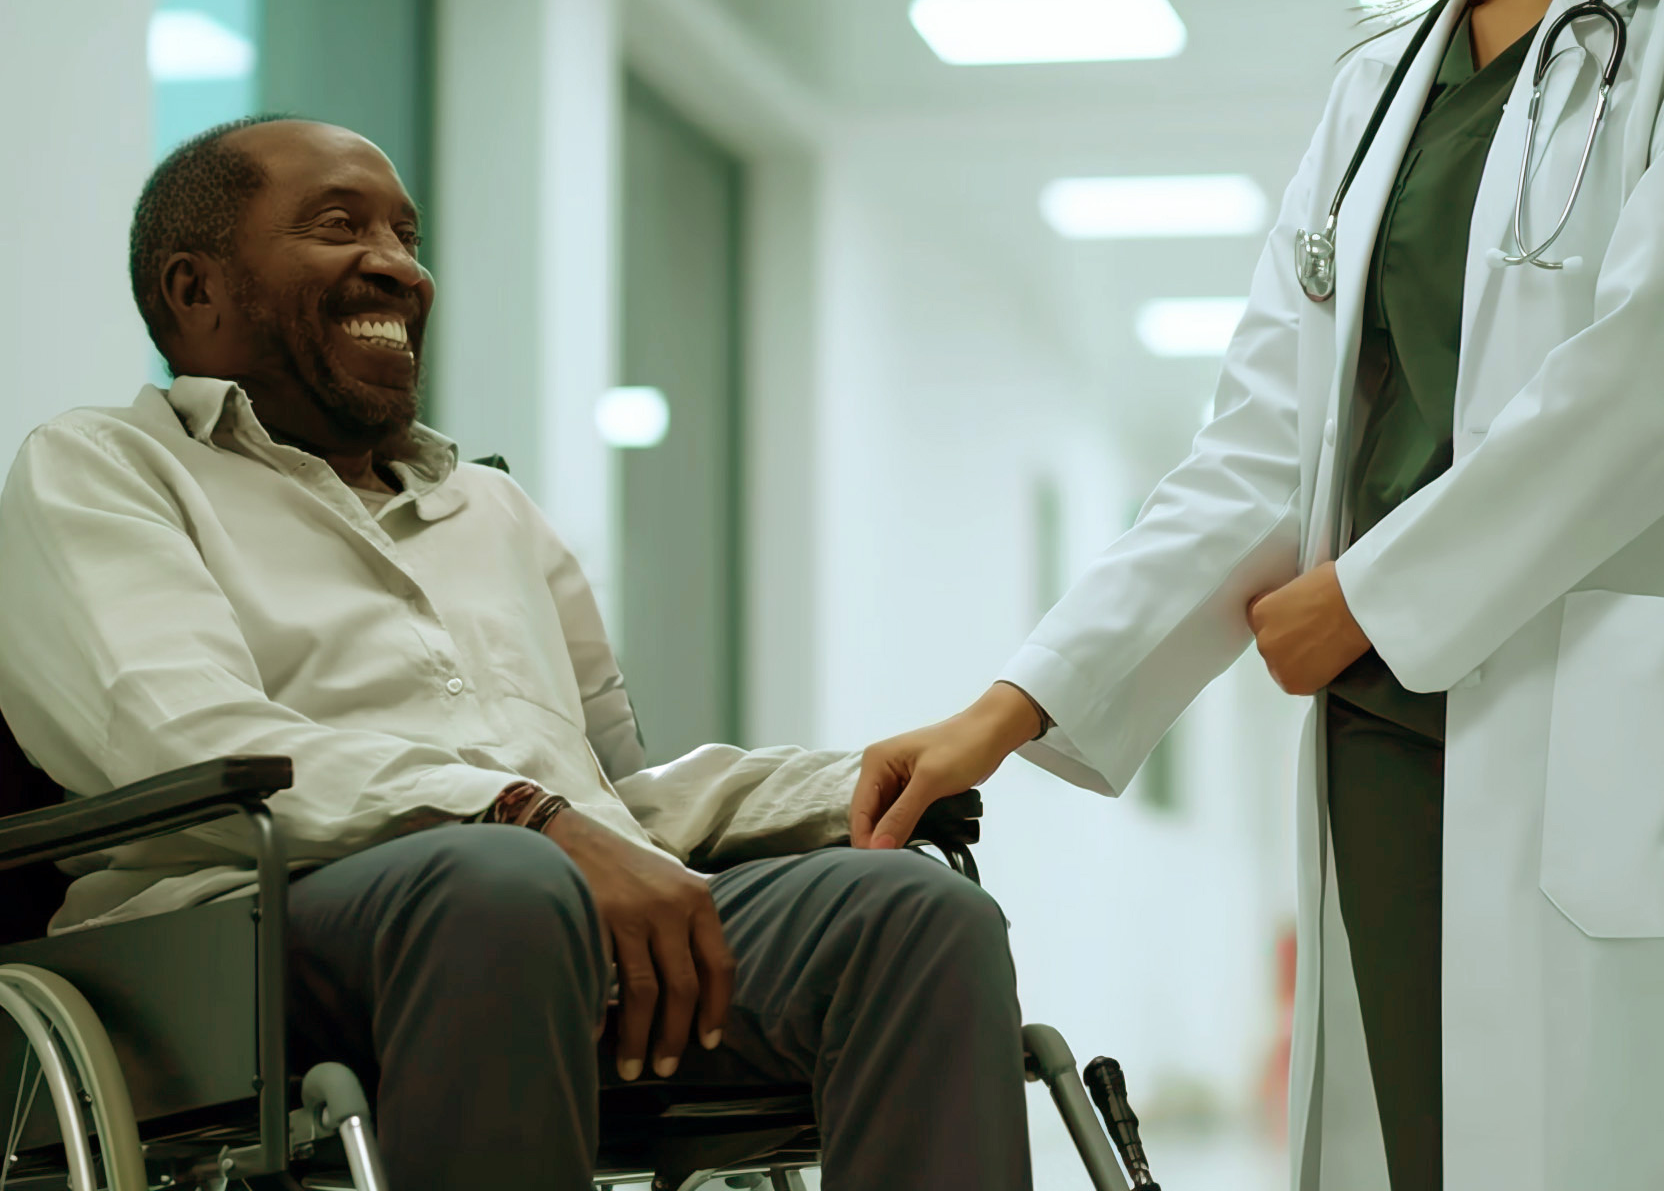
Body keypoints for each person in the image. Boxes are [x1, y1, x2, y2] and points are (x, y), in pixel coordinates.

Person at [849, 0, 1664, 1191]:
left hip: (1590, 718)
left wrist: (1368, 586)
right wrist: (1010, 704)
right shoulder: (1381, 82)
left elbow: (1637, 378)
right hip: (1383, 729)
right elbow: (1256, 443)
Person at [0, 116, 1032, 1191]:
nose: (396, 265)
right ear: (194, 289)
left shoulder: (489, 508)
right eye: (339, 226)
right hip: (234, 936)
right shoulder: (103, 468)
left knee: (909, 916)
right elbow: (178, 733)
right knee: (500, 884)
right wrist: (519, 813)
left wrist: (839, 782)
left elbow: (615, 794)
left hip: (531, 903)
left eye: (406, 233)